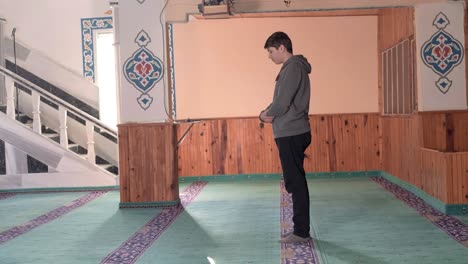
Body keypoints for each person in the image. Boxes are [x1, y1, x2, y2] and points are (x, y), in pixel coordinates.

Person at [259, 31, 312, 243]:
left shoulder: (293, 68)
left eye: (271, 51)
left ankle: (301, 232)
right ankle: (300, 229)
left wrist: (263, 115)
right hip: (291, 131)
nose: (269, 56)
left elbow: (281, 104)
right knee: (294, 181)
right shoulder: (292, 68)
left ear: (282, 47)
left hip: (292, 132)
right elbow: (282, 101)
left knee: (296, 183)